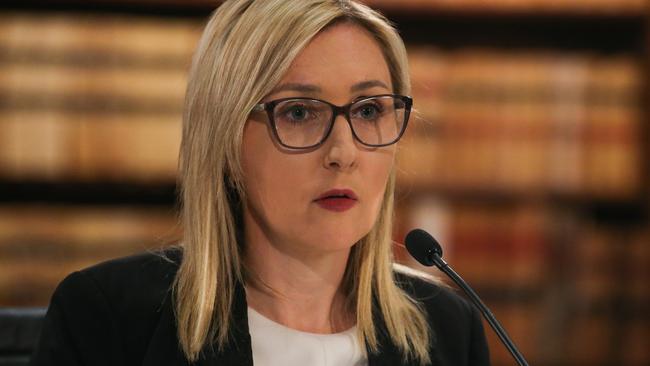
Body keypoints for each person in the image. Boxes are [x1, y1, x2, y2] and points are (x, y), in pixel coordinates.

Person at [30, 0, 490, 365]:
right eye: (299, 112)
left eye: (369, 110)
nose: (343, 153)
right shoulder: (109, 319)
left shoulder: (448, 329)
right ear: (225, 137)